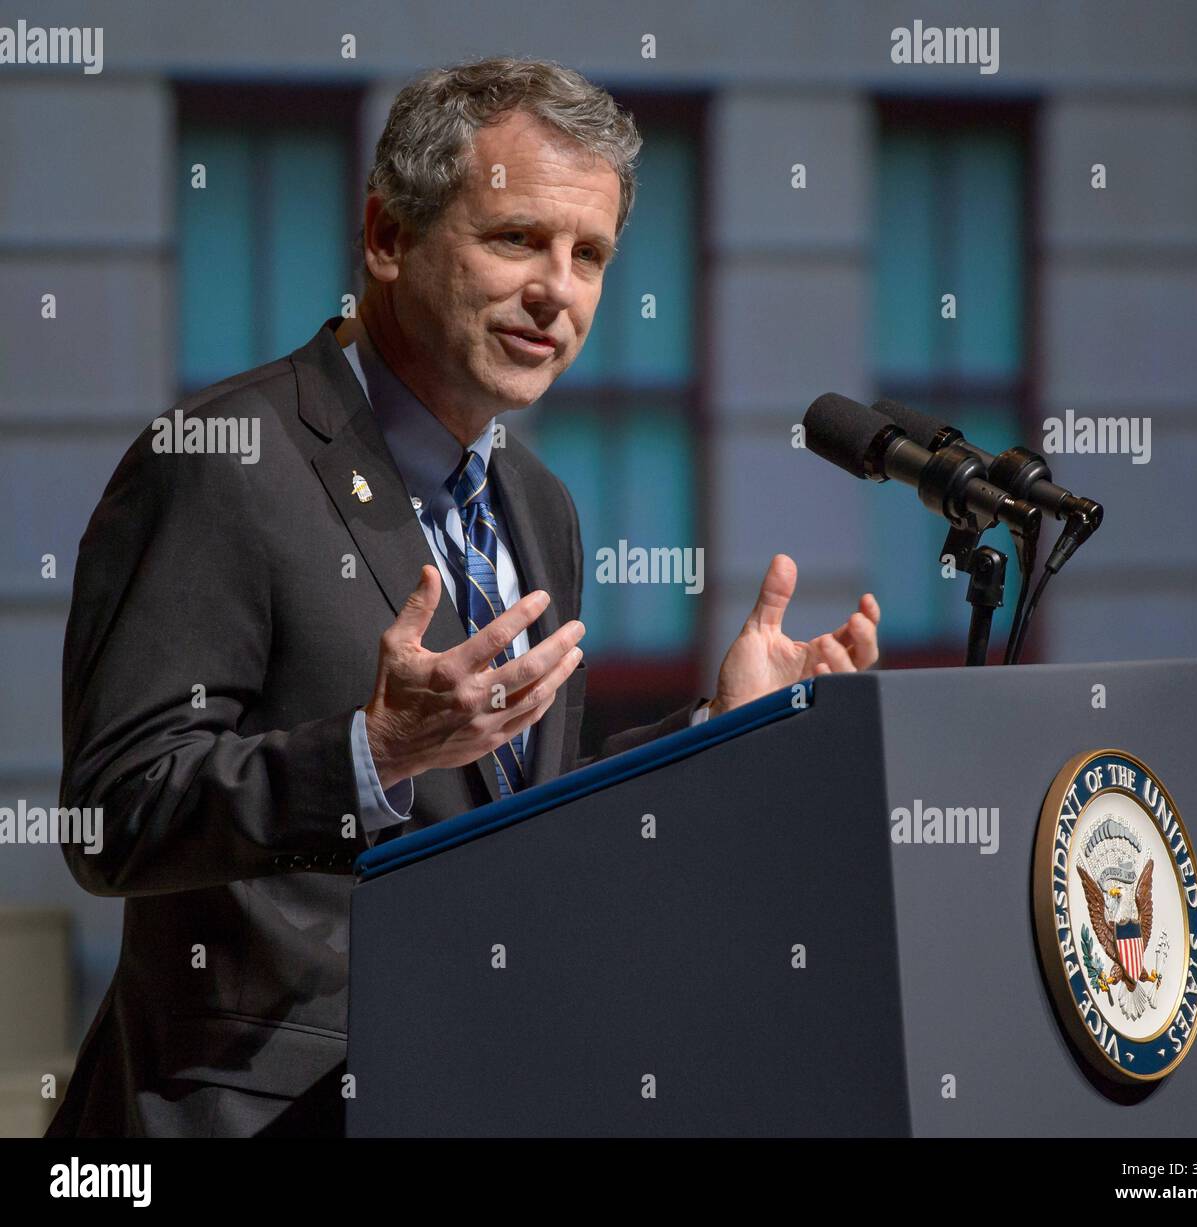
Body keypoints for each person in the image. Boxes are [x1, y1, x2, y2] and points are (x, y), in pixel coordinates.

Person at [46, 56, 880, 1138]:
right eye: (517, 239)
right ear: (387, 236)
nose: (558, 291)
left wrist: (725, 731)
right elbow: (111, 814)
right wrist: (372, 753)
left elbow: (514, 816)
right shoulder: (224, 460)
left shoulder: (540, 505)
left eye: (590, 257)